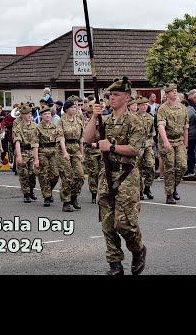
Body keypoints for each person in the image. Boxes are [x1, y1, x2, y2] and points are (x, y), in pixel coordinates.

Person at [83, 76, 147, 276]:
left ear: (127, 97)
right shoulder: (105, 120)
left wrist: (110, 146)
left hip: (126, 175)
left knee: (125, 223)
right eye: (110, 95)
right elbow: (86, 138)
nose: (112, 98)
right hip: (106, 173)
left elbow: (135, 149)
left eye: (116, 95)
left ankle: (138, 249)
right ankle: (115, 265)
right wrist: (94, 116)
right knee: (108, 223)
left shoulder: (134, 121)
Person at [157, 83, 189, 204]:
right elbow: (161, 126)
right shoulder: (163, 108)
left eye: (176, 90)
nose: (175, 92)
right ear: (167, 94)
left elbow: (186, 127)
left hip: (179, 140)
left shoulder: (183, 108)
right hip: (167, 140)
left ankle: (174, 186)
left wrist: (186, 144)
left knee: (182, 165)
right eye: (172, 91)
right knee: (170, 166)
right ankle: (169, 194)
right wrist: (165, 141)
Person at [57, 99, 85, 212]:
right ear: (67, 109)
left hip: (76, 150)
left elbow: (81, 139)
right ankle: (66, 202)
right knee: (67, 176)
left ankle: (74, 197)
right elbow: (61, 138)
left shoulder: (78, 120)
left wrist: (82, 153)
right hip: (64, 149)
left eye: (76, 107)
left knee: (80, 176)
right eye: (73, 107)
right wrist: (64, 152)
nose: (75, 109)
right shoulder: (61, 121)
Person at [13, 103, 40, 203]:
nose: (29, 115)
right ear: (22, 115)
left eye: (30, 113)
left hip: (33, 151)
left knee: (32, 173)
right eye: (27, 114)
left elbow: (38, 141)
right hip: (23, 151)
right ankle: (26, 193)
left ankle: (31, 191)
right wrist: (18, 156)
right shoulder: (18, 127)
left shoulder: (36, 126)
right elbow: (17, 142)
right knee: (24, 174)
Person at [136, 97, 156, 199]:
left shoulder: (150, 117)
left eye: (146, 105)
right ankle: (139, 190)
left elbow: (152, 133)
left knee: (151, 165)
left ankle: (147, 187)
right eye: (142, 105)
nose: (144, 106)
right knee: (137, 168)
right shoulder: (133, 117)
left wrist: (151, 142)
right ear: (138, 106)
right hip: (137, 146)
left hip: (147, 144)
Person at [181, 99, 196, 178]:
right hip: (192, 134)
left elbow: (183, 124)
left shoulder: (188, 112)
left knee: (190, 152)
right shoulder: (191, 109)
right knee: (190, 152)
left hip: (190, 135)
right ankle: (189, 169)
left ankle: (190, 170)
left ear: (184, 104)